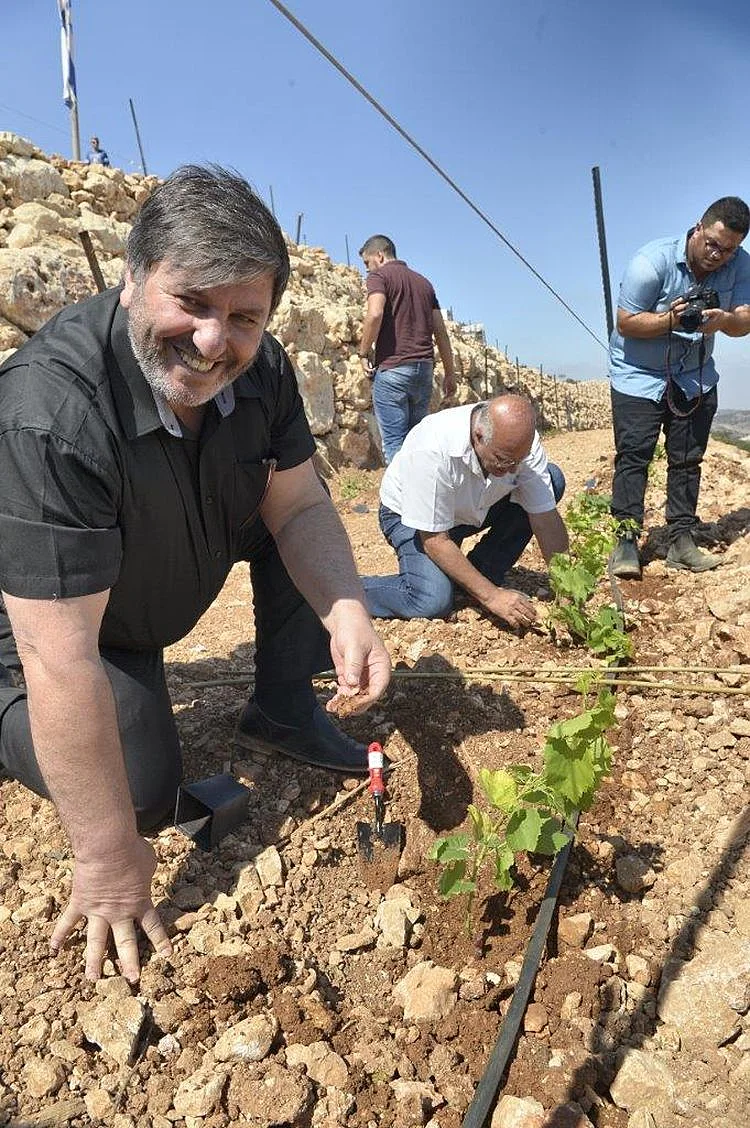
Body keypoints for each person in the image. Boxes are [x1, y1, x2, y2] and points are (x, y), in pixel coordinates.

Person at [0, 165, 391, 984]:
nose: (215, 341)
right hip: (58, 628)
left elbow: (301, 510)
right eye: (193, 303)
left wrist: (348, 610)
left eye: (243, 316)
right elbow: (57, 654)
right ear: (135, 279)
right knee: (138, 794)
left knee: (295, 539)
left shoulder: (264, 372)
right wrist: (107, 858)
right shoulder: (54, 411)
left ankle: (282, 710)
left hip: (146, 583)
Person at [608, 196, 750, 578]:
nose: (718, 255)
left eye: (729, 249)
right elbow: (626, 323)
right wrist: (670, 320)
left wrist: (721, 320)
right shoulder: (650, 262)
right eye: (713, 244)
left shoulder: (741, 264)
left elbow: (745, 321)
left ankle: (682, 540)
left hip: (695, 374)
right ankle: (625, 541)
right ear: (698, 228)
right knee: (634, 456)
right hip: (638, 373)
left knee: (688, 459)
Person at [360, 395, 568, 627]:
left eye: (518, 460)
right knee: (430, 601)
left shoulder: (519, 447)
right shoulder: (432, 446)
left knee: (552, 479)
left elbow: (545, 518)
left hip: (470, 508)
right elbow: (434, 540)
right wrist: (493, 596)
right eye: (503, 460)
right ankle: (349, 592)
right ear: (479, 436)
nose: (513, 468)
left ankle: (480, 573)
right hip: (412, 518)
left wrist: (567, 586)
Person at [357, 235, 457, 464]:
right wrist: (450, 373)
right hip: (423, 371)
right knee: (417, 443)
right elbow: (440, 331)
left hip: (393, 370)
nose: (366, 270)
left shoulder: (379, 276)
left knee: (394, 444)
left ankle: (400, 498)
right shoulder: (424, 283)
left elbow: (375, 313)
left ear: (379, 256)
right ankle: (421, 495)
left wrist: (363, 353)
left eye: (366, 263)